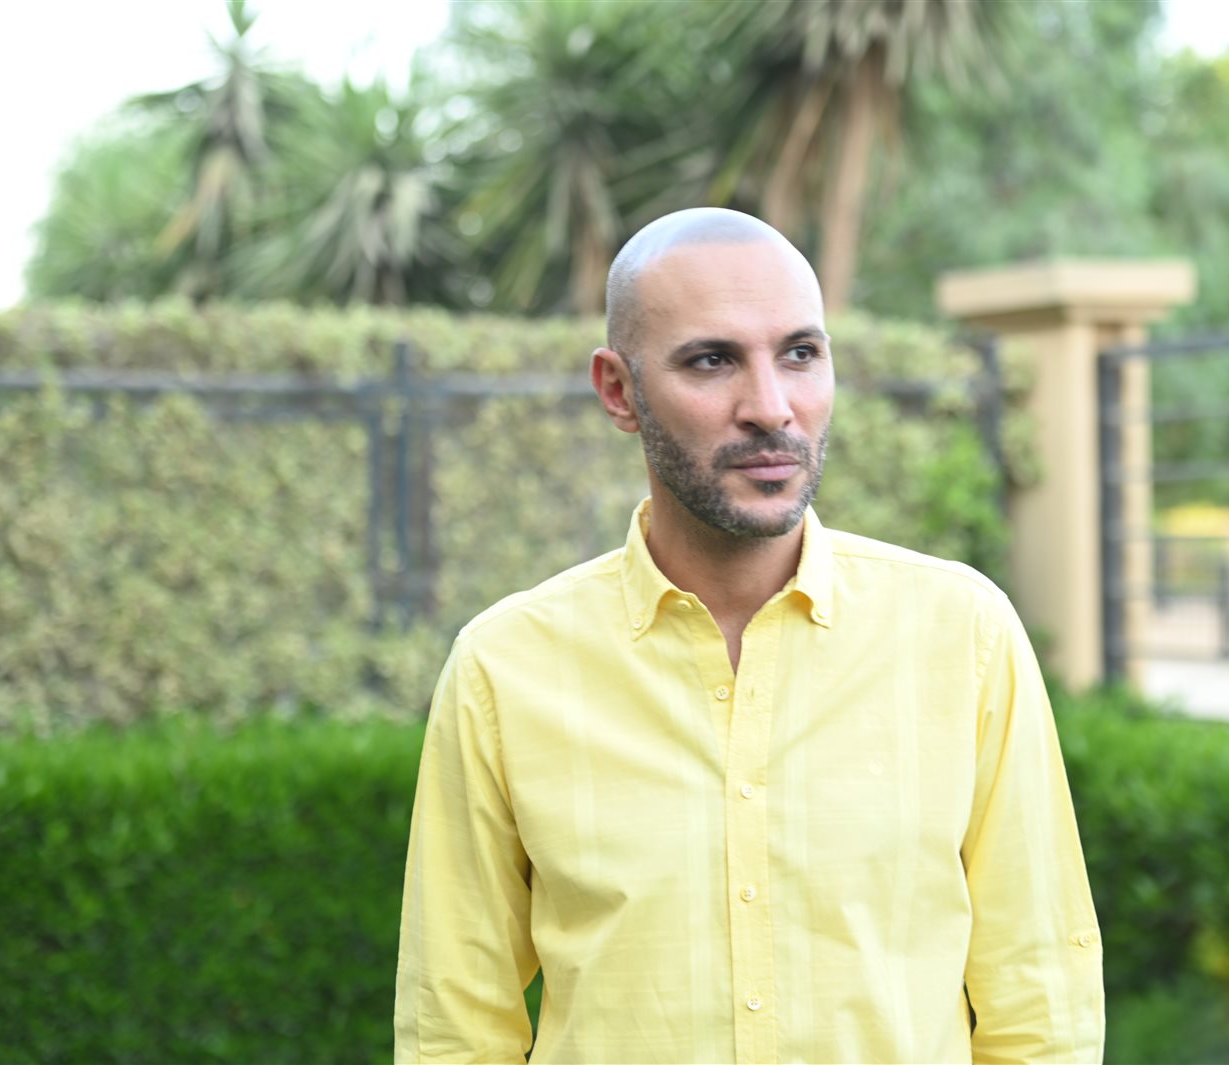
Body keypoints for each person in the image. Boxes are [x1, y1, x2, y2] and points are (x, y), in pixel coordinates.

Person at [393, 208, 1103, 1064]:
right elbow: (456, 1030)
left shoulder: (964, 634)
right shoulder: (504, 670)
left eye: (800, 353)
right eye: (711, 360)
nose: (771, 407)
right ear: (619, 390)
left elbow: (1041, 1005)